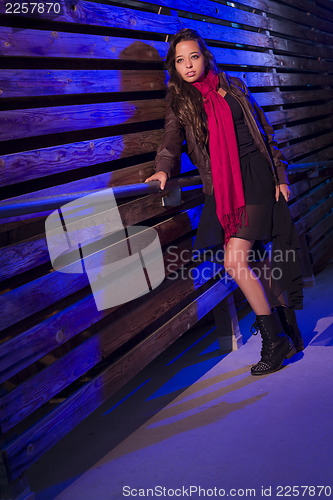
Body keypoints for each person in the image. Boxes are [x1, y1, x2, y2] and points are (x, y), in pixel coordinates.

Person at [145, 28, 304, 375]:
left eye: (194, 56)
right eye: (180, 60)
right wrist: (162, 170)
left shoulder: (233, 86)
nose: (188, 65)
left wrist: (280, 174)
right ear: (174, 66)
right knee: (254, 260)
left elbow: (264, 133)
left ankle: (274, 341)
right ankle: (286, 328)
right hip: (223, 185)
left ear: (206, 56)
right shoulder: (180, 100)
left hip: (257, 177)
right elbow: (171, 140)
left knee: (236, 260)